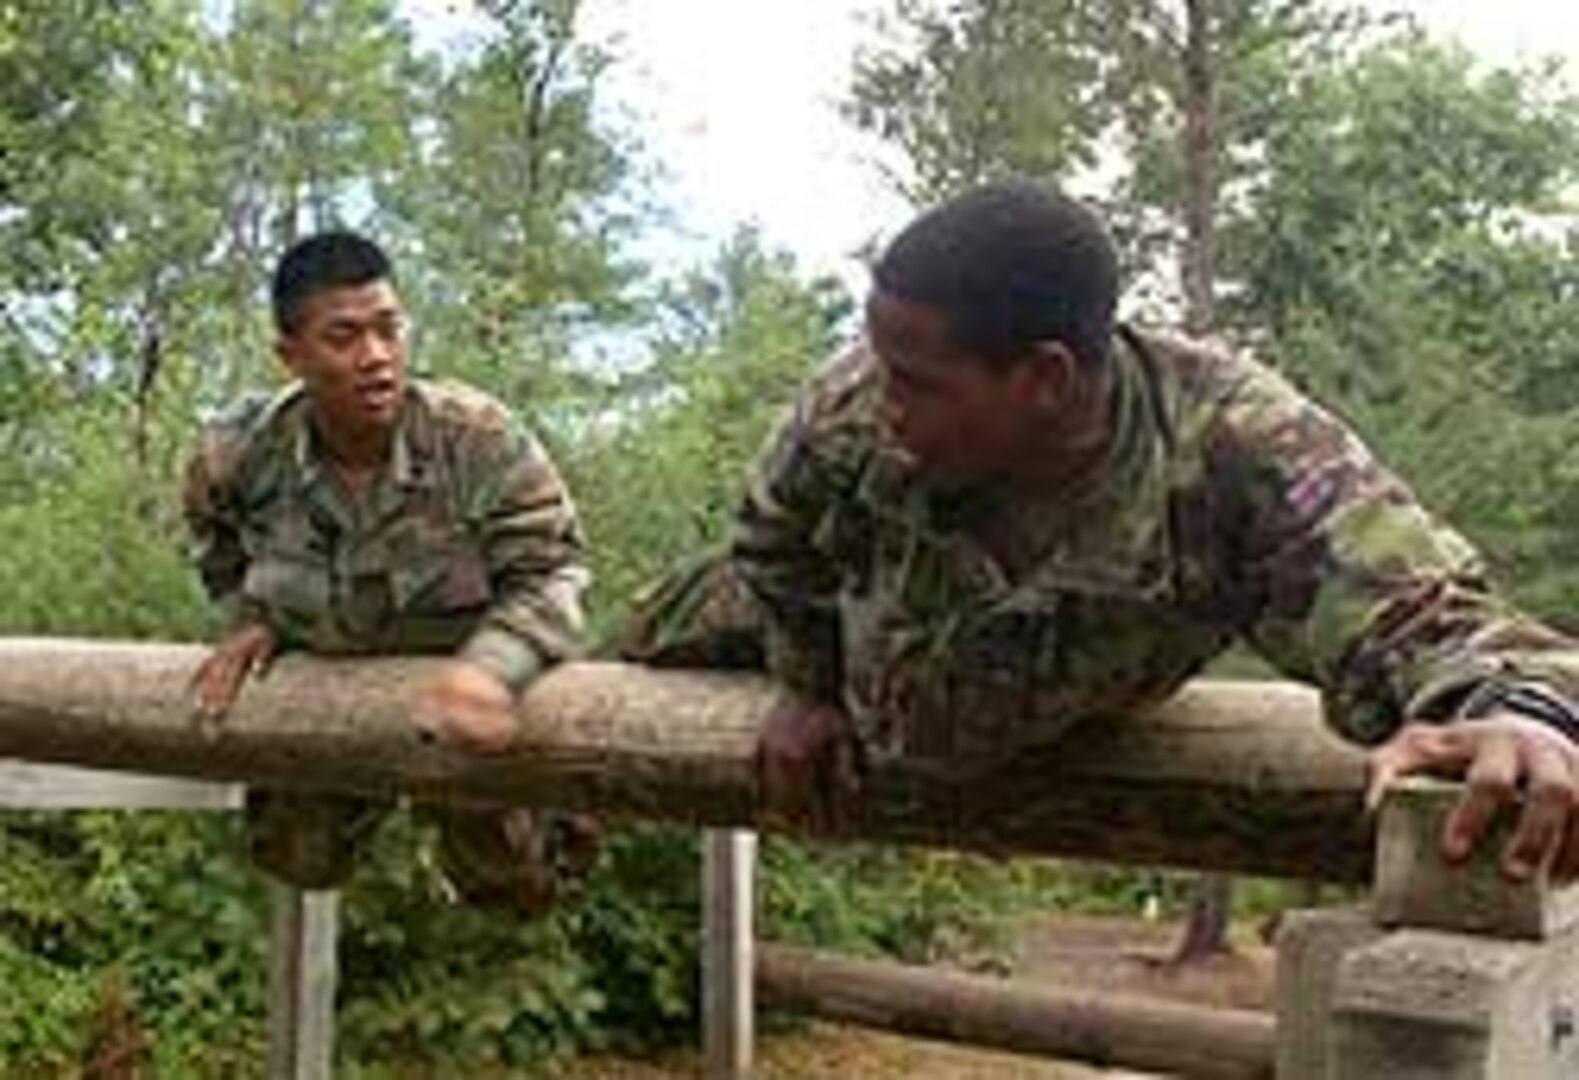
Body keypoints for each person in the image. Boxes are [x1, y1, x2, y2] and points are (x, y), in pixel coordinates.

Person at [620, 179, 1579, 884]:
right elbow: (772, 543)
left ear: (1043, 378)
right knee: (604, 664)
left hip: (1029, 702)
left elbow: (1420, 615)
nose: (885, 402)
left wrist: (1530, 715)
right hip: (821, 614)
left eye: (917, 382)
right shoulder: (851, 409)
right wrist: (806, 687)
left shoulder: (1234, 447)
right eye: (880, 363)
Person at [183, 230, 597, 914]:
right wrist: (249, 619)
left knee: (521, 887)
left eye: (388, 329)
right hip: (327, 684)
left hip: (469, 691)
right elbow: (212, 534)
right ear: (290, 356)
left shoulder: (477, 438)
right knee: (297, 858)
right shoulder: (239, 454)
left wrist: (491, 667)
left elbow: (553, 571)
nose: (375, 357)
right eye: (343, 337)